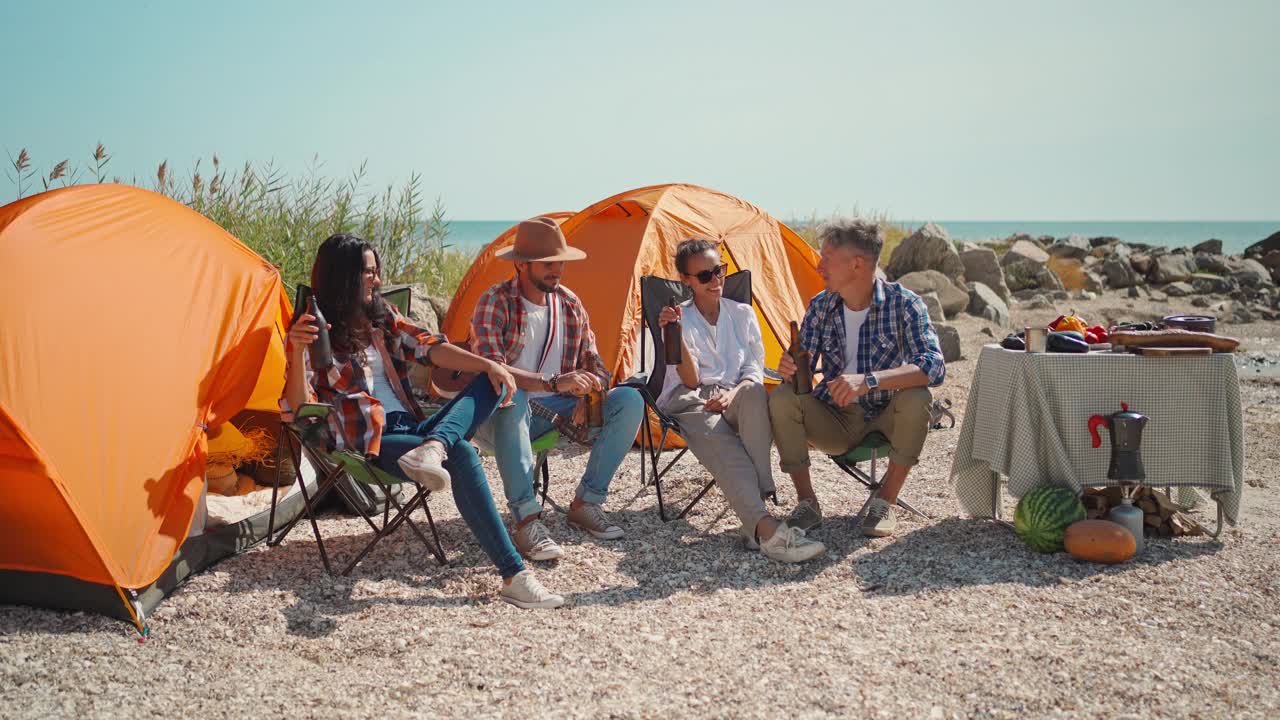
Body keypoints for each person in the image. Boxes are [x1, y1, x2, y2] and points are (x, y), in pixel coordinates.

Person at [282, 233, 564, 609]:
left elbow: (430, 347)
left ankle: (433, 446)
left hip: (412, 428)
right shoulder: (314, 332)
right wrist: (297, 348)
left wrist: (489, 364)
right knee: (462, 453)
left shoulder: (381, 317)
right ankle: (515, 575)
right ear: (342, 276)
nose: (377, 280)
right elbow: (300, 408)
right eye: (368, 273)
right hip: (370, 443)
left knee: (490, 381)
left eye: (377, 271)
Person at [471, 217, 644, 561]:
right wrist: (553, 383)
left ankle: (587, 502)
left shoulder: (569, 303)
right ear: (521, 264)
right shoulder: (496, 301)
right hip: (498, 418)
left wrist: (588, 390)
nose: (557, 269)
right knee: (514, 397)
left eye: (560, 261)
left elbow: (596, 364)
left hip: (554, 413)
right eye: (548, 263)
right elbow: (493, 370)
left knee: (629, 400)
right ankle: (527, 521)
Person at [770, 218, 945, 537]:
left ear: (856, 264)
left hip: (887, 417)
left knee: (918, 395)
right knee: (782, 397)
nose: (819, 266)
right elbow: (801, 374)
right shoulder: (821, 306)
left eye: (826, 258)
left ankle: (884, 502)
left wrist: (869, 380)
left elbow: (934, 366)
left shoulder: (904, 304)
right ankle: (807, 502)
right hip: (836, 420)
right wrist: (790, 369)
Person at [657, 239, 826, 562]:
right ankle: (765, 528)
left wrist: (733, 392)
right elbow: (690, 380)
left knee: (753, 392)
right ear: (686, 281)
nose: (716, 281)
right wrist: (674, 331)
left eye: (719, 271)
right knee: (723, 441)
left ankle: (756, 511)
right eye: (704, 276)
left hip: (736, 393)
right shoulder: (679, 318)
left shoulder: (743, 314)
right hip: (690, 397)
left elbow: (753, 367)